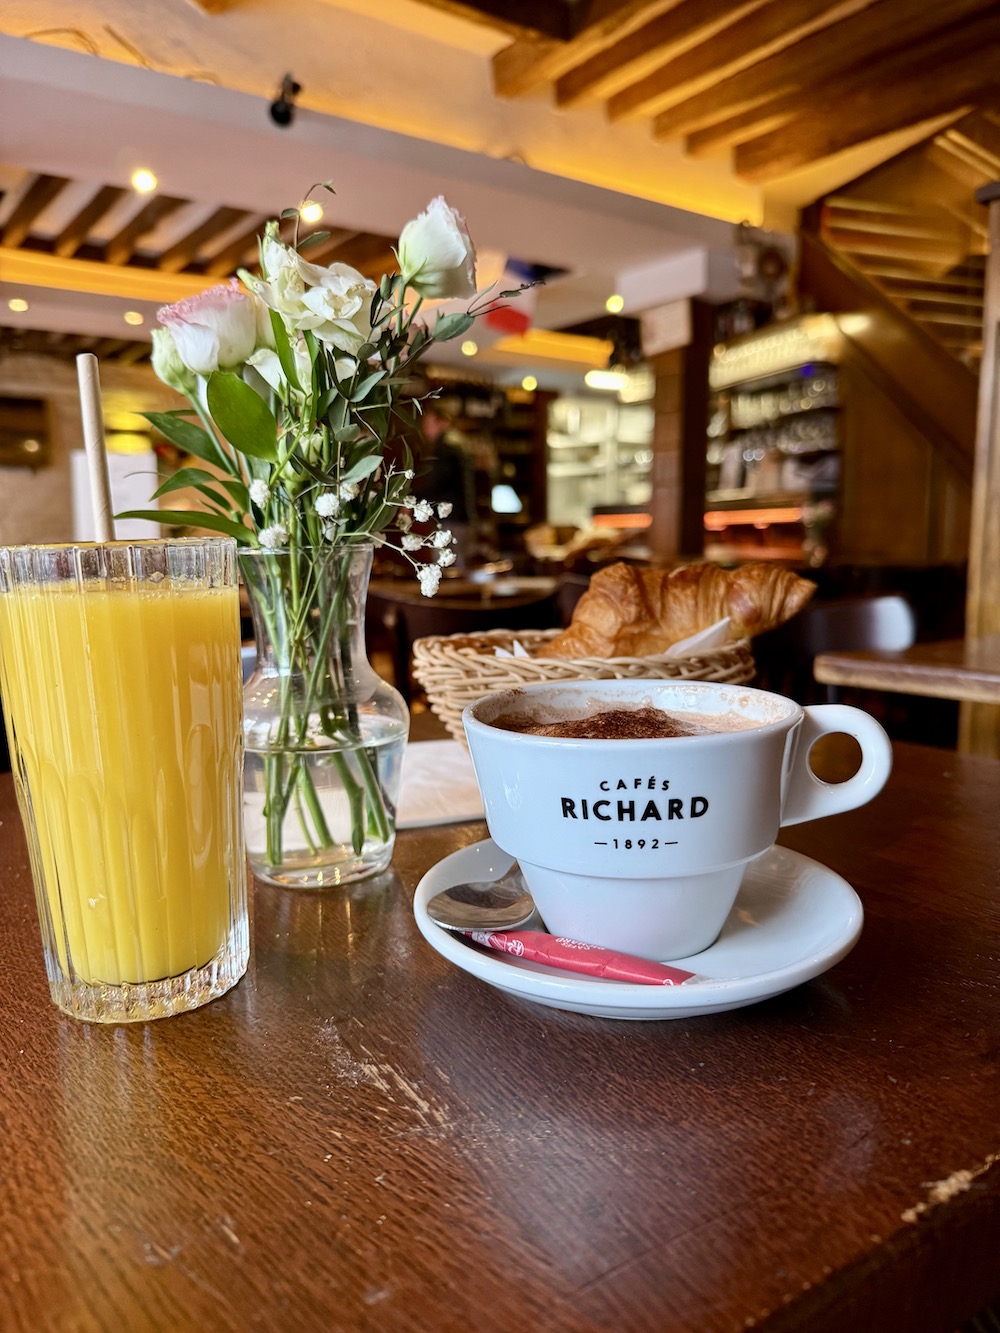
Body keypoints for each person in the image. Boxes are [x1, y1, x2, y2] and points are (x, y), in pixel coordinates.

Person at [411, 407, 477, 566]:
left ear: (443, 423)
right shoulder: (457, 442)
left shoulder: (447, 446)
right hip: (462, 517)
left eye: (429, 424)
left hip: (452, 520)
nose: (425, 430)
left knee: (448, 567)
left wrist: (413, 499)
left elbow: (439, 483)